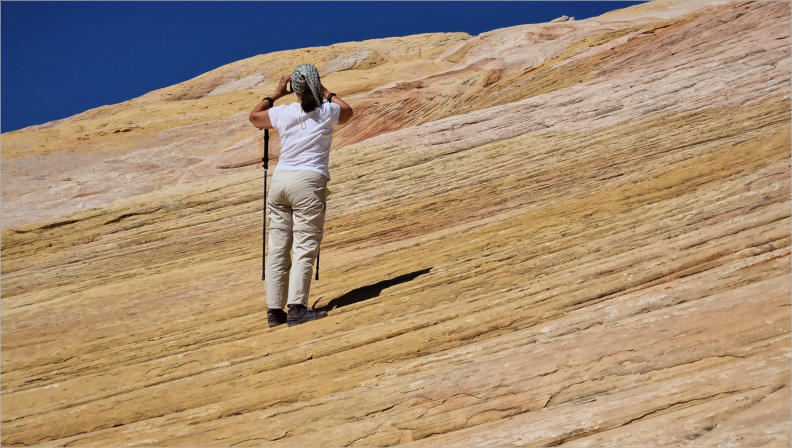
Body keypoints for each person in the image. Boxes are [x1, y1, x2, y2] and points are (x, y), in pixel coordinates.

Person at [249, 63, 353, 327]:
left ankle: (274, 311)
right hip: (308, 182)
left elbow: (254, 116)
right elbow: (348, 111)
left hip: (281, 182)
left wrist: (275, 93)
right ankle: (297, 308)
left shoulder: (283, 113)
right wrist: (326, 92)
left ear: (294, 88)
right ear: (316, 86)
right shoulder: (327, 110)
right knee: (305, 246)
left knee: (278, 249)